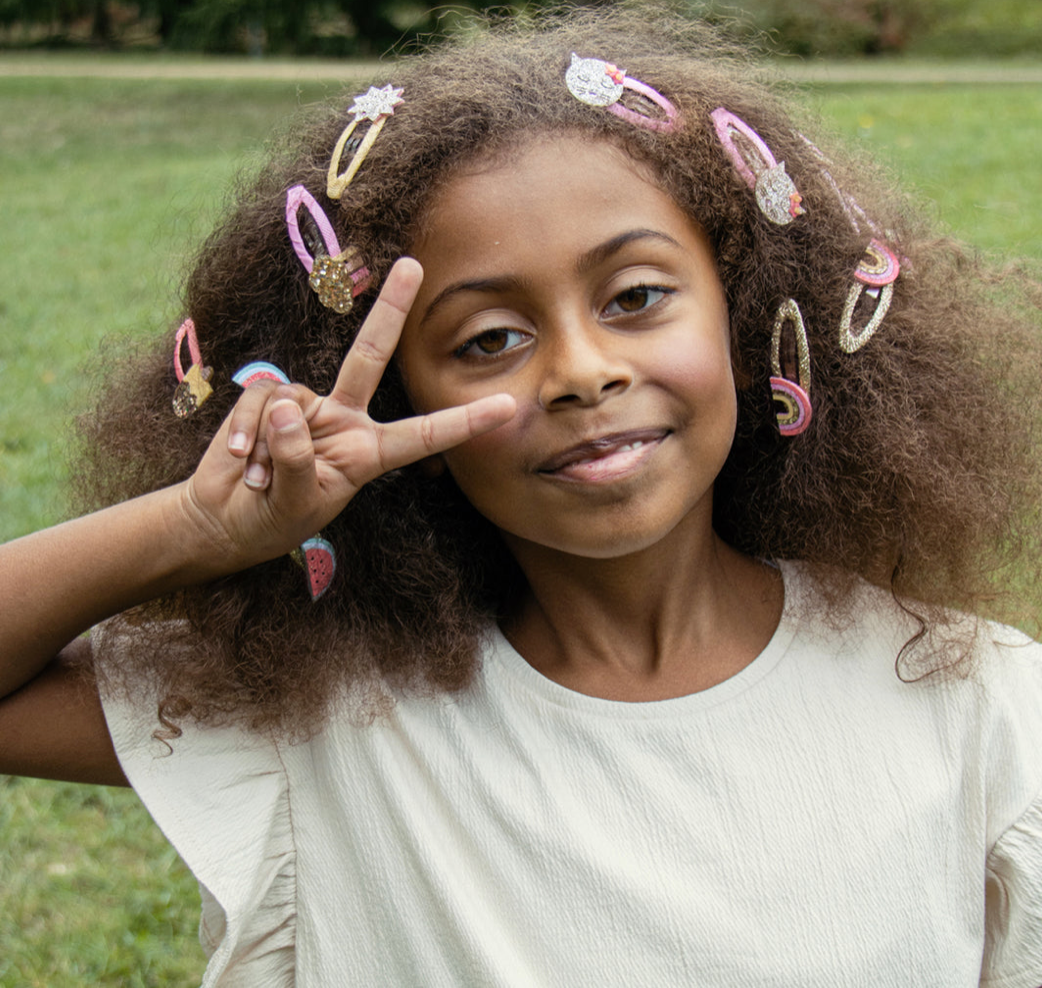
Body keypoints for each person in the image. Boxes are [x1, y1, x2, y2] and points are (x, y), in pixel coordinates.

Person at [2, 6, 1041, 984]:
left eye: (635, 296)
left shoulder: (975, 714)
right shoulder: (331, 712)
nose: (581, 371)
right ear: (407, 408)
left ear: (746, 312)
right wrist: (192, 528)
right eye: (488, 339)